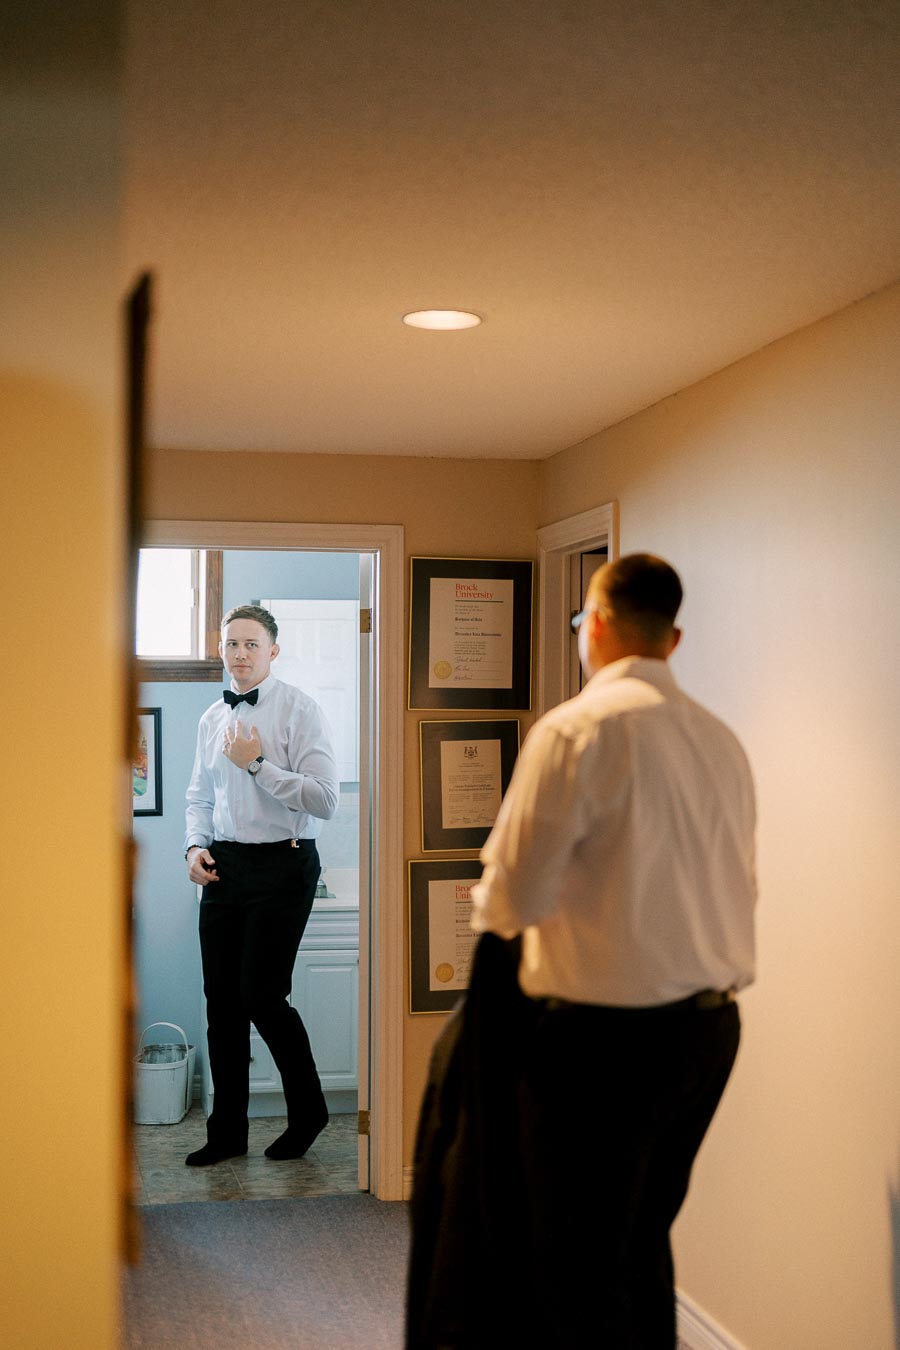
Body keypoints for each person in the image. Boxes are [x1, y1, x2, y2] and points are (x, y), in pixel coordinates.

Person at [468, 552, 757, 1348]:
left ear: (593, 626)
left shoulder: (574, 731)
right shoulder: (722, 741)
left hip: (605, 1044)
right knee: (637, 1238)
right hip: (709, 1034)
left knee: (571, 1257)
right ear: (675, 639)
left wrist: (490, 894)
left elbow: (514, 901)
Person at [183, 603, 339, 1167]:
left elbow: (325, 798)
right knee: (221, 1004)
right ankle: (227, 1133)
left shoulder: (300, 710)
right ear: (221, 652)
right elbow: (199, 796)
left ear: (273, 651)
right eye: (231, 645)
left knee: (261, 996)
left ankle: (309, 1112)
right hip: (223, 867)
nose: (240, 654)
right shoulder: (209, 718)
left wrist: (257, 766)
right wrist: (193, 848)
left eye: (251, 644)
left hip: (285, 863)